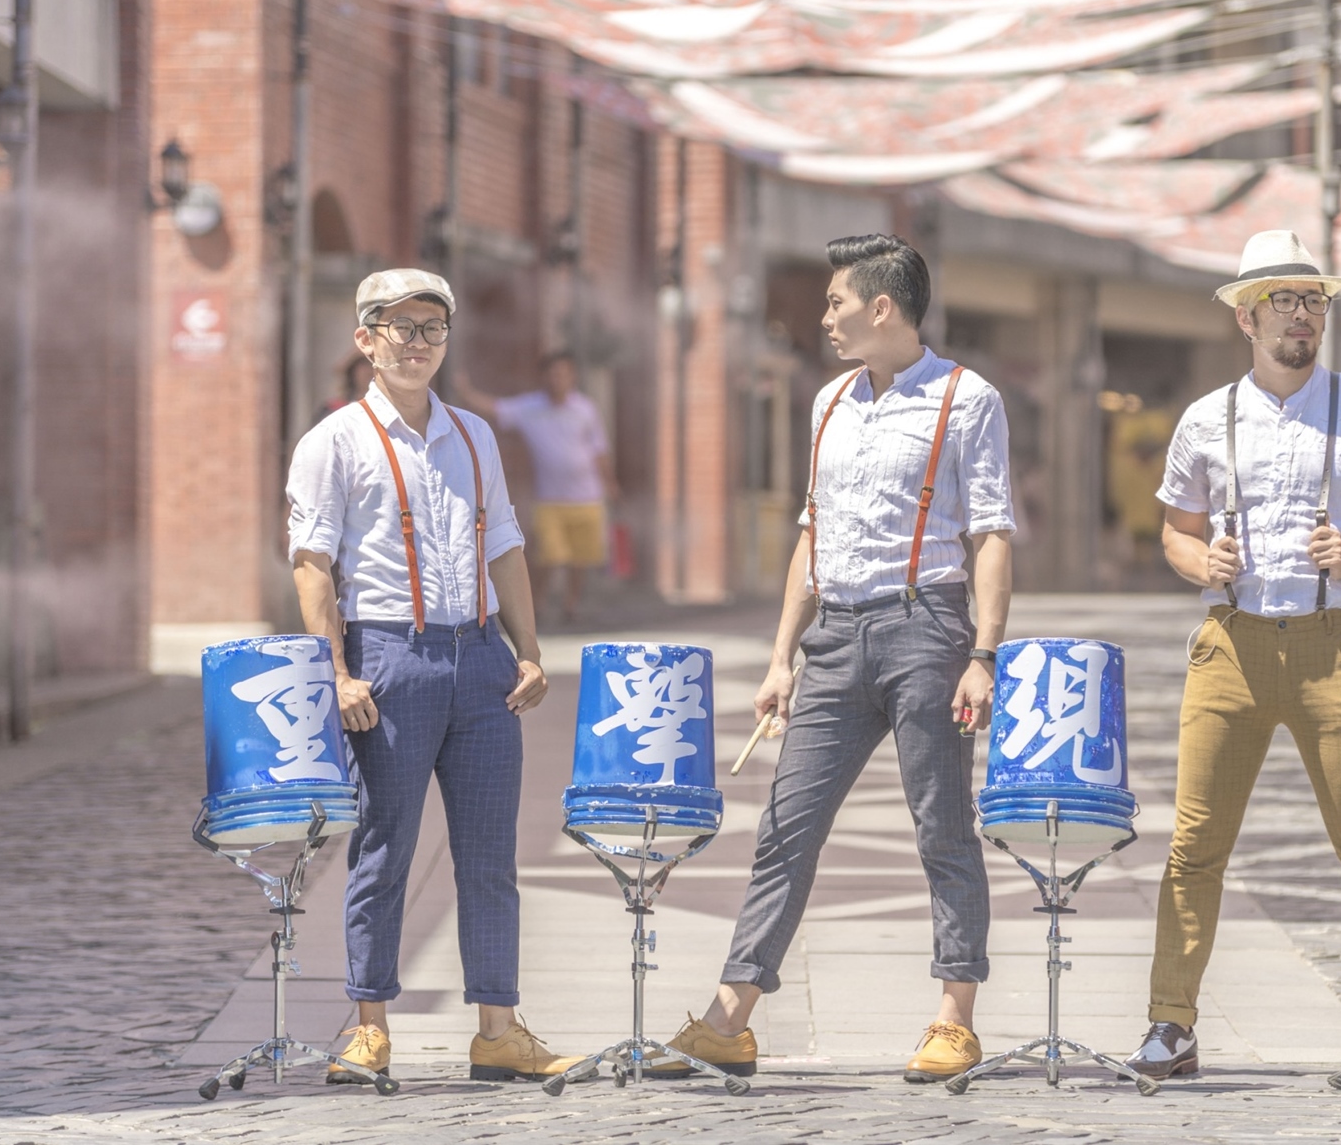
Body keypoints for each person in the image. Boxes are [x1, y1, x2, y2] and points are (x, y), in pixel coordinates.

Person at [651, 234, 1016, 1084]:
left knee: (942, 826)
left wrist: (984, 655)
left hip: (927, 628)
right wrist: (781, 657)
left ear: (881, 307)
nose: (824, 317)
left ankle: (955, 1018)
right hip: (835, 637)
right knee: (786, 824)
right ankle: (730, 1019)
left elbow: (992, 532)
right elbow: (812, 534)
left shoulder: (967, 398)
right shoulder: (829, 401)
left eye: (835, 302)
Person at [1125, 231, 1341, 1082]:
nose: (1303, 315)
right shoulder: (1205, 418)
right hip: (1232, 645)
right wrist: (1203, 562)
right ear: (1247, 317)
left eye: (1314, 300)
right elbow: (1175, 532)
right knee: (1195, 843)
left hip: (1336, 647)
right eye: (1284, 301)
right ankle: (1171, 1025)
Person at [286, 268, 573, 1085]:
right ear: (365, 339)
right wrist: (337, 672)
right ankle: (369, 1027)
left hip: (479, 658)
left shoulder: (475, 435)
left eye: (432, 328)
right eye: (400, 327)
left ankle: (498, 1028)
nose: (417, 343)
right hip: (388, 657)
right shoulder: (333, 441)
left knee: (490, 854)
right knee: (385, 847)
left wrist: (528, 650)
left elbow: (504, 543)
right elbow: (312, 563)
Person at [453, 352, 616, 625]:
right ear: (543, 377)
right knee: (549, 557)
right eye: (553, 374)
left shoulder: (585, 409)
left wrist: (610, 483)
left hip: (587, 496)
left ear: (572, 377)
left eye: (563, 373)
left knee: (580, 558)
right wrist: (465, 390)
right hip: (549, 498)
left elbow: (599, 449)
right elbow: (495, 408)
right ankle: (537, 605)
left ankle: (571, 605)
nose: (557, 379)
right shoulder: (530, 408)